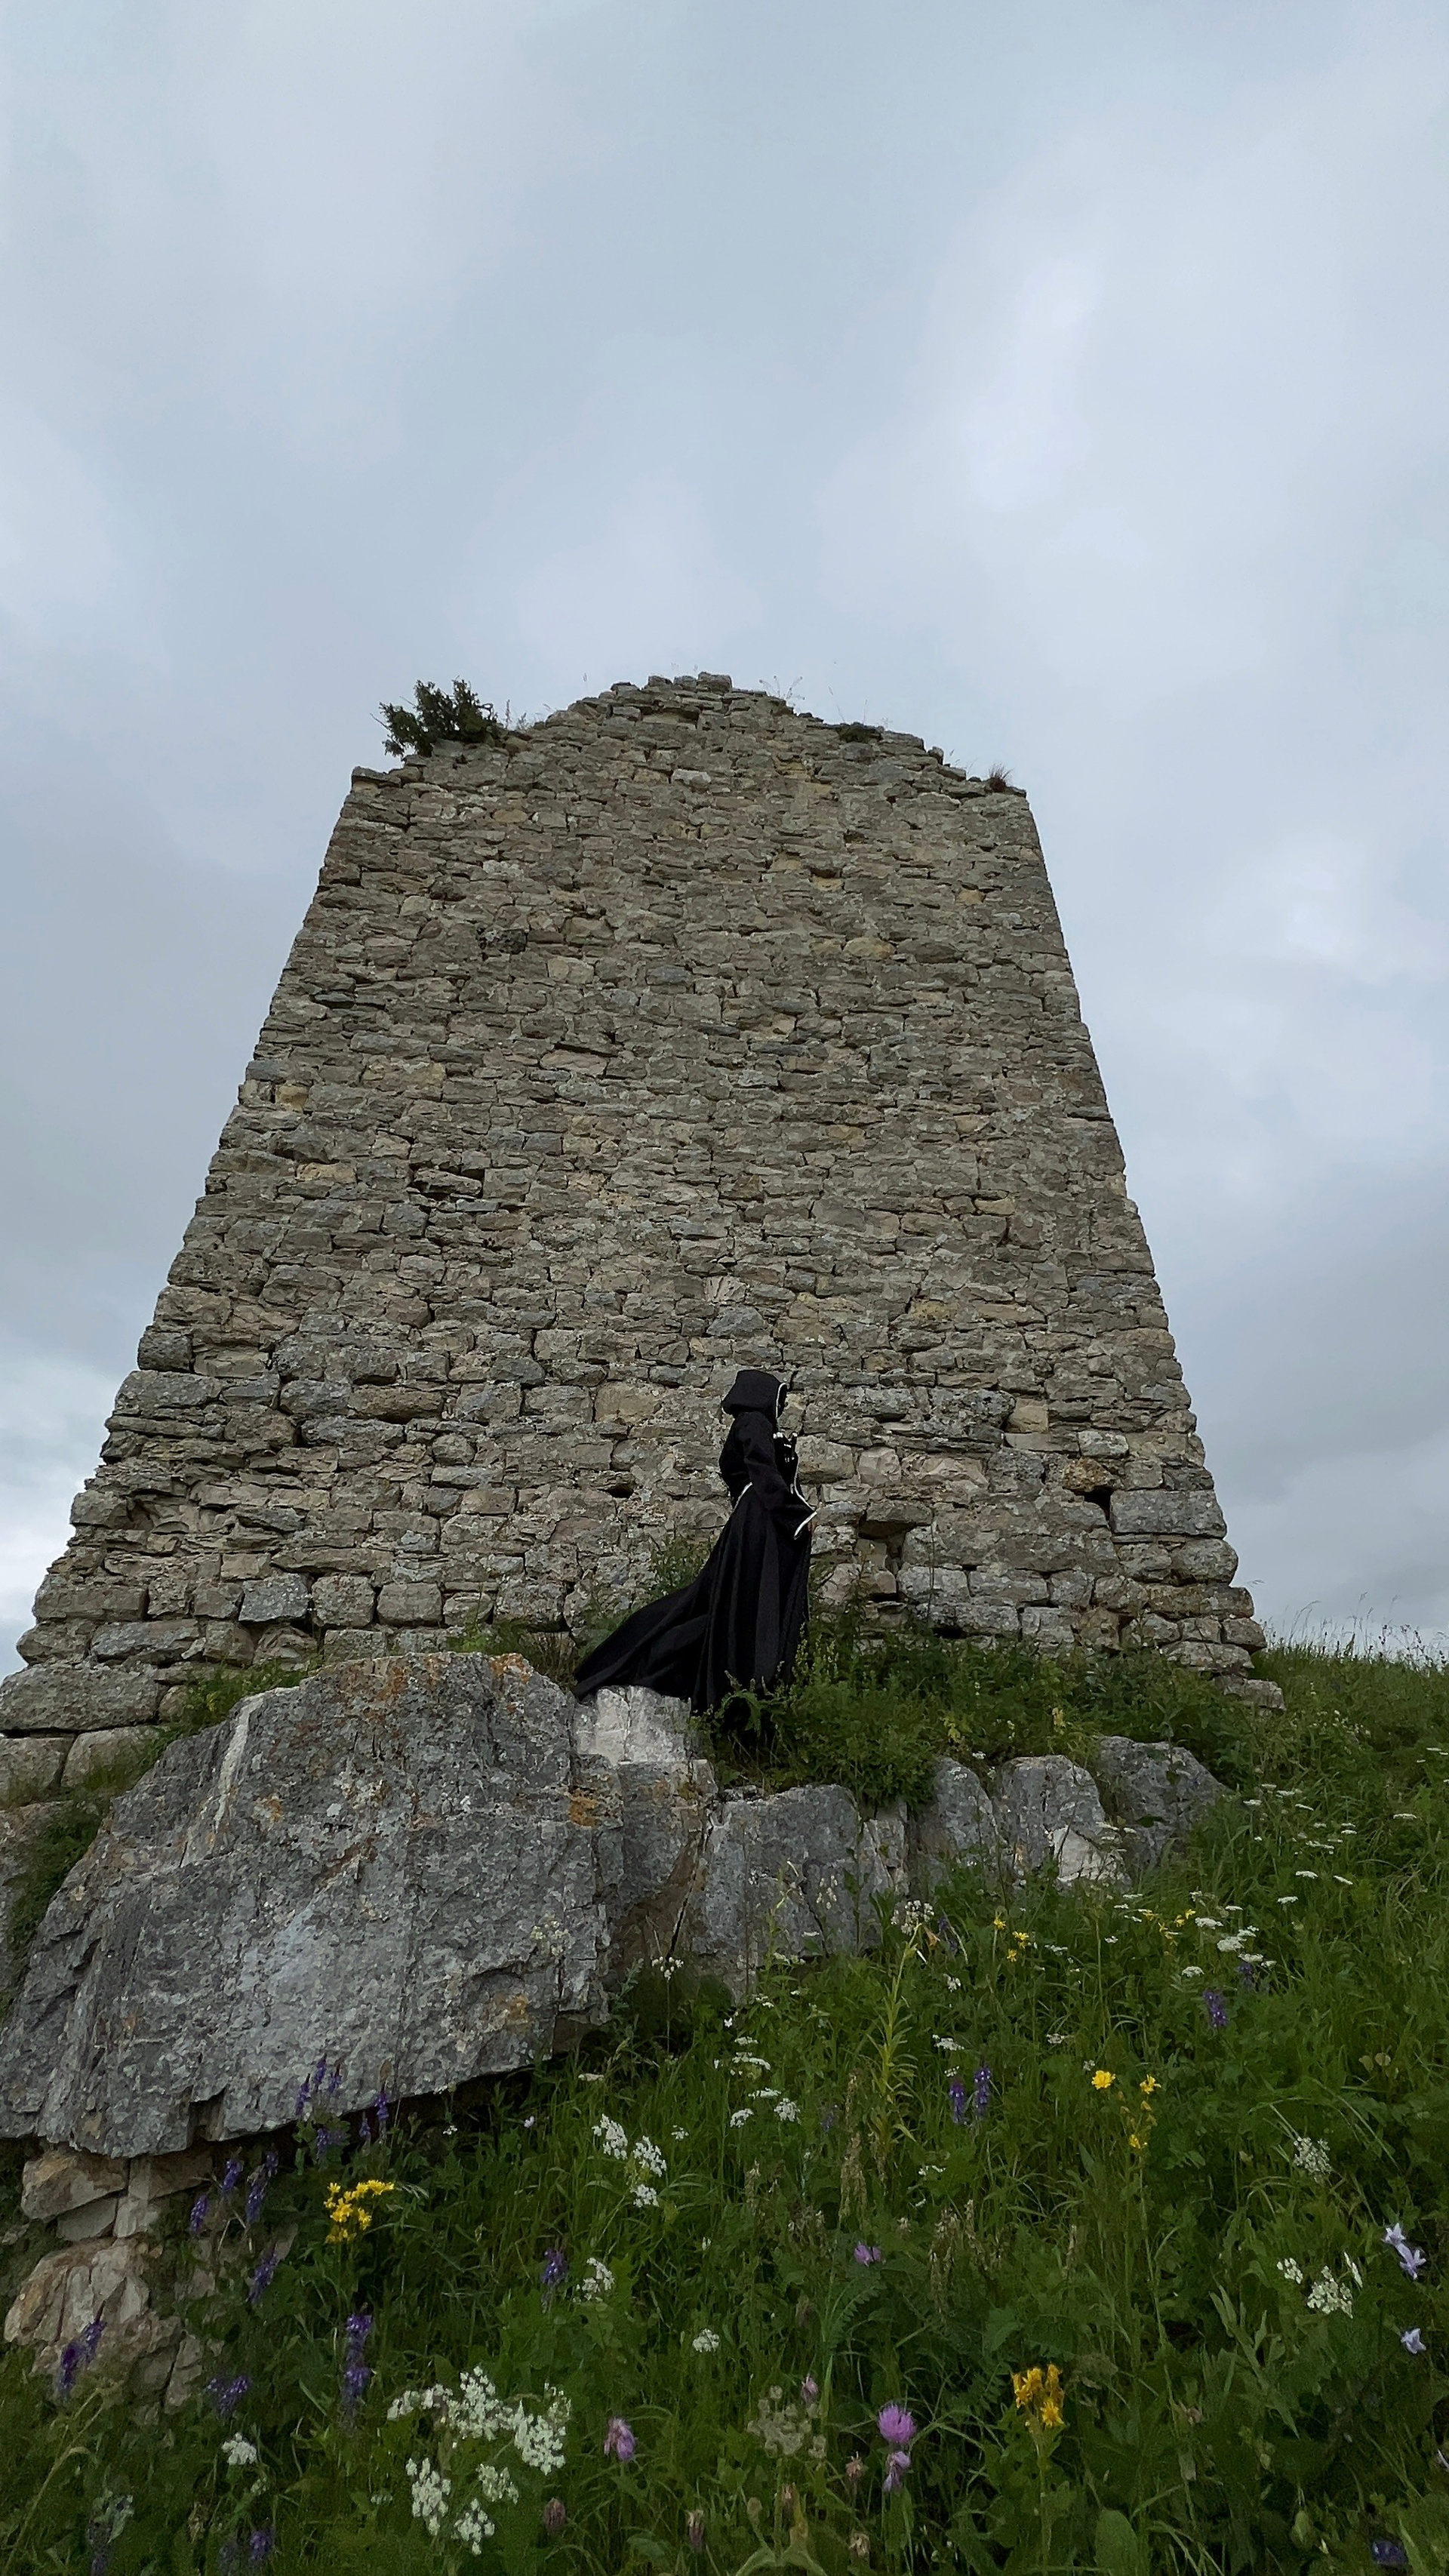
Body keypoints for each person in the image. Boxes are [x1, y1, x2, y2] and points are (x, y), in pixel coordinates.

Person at [573, 1369, 814, 1713]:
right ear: (762, 1394)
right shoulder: (754, 1422)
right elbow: (763, 1472)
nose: (781, 1406)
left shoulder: (751, 1425)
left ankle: (749, 1684)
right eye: (779, 1398)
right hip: (759, 1524)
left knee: (729, 1601)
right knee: (744, 1601)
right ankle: (749, 1682)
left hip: (755, 1522)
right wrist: (797, 1515)